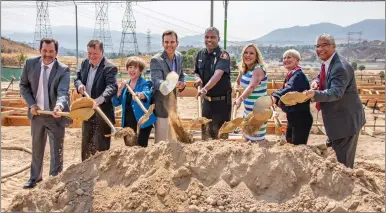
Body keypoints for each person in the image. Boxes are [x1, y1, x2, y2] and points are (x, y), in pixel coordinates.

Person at [304, 34, 366, 168]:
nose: (320, 49)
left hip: (345, 123)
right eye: (318, 46)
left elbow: (335, 92)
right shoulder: (328, 63)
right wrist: (315, 82)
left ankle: (345, 189)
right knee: (337, 161)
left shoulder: (340, 67)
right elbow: (320, 76)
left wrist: (314, 94)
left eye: (324, 45)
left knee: (343, 165)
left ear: (334, 47)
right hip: (337, 122)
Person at [19, 38, 70, 189]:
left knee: (56, 150)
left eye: (51, 51)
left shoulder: (63, 70)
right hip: (37, 114)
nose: (47, 54)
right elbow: (23, 86)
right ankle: (35, 177)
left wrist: (59, 106)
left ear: (56, 52)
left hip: (55, 115)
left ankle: (53, 181)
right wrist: (31, 104)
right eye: (45, 51)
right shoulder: (30, 64)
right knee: (36, 147)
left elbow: (63, 92)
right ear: (40, 50)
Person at [74, 40, 118, 161]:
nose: (91, 56)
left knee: (101, 147)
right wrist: (79, 86)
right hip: (87, 111)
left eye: (95, 53)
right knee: (86, 144)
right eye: (89, 53)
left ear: (102, 52)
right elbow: (77, 78)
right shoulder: (84, 64)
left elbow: (112, 87)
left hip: (102, 113)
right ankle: (85, 171)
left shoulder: (109, 67)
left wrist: (100, 99)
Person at [195, 27, 232, 140]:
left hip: (221, 104)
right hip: (206, 102)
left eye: (212, 37)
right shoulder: (200, 54)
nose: (209, 40)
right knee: (206, 137)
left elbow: (217, 75)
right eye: (207, 37)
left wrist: (204, 89)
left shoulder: (223, 55)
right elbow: (196, 72)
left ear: (218, 38)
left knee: (220, 138)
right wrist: (198, 79)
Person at [150, 30, 186, 143]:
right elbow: (156, 81)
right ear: (162, 43)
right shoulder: (156, 60)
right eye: (166, 42)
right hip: (160, 104)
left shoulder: (179, 56)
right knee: (161, 140)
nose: (169, 45)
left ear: (177, 43)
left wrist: (182, 83)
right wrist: (171, 84)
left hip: (173, 104)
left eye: (172, 42)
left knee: (172, 139)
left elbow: (182, 74)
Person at [112, 57, 157, 147]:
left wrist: (141, 95)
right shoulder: (125, 85)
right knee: (129, 149)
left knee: (140, 149)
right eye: (130, 67)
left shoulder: (145, 83)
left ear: (140, 70)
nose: (132, 70)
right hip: (127, 124)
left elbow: (147, 93)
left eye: (135, 68)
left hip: (142, 123)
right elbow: (116, 102)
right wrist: (120, 89)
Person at [271, 49, 313, 145]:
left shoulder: (298, 76)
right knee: (290, 144)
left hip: (301, 118)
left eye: (289, 57)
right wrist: (278, 102)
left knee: (298, 148)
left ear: (297, 60)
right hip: (293, 117)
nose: (286, 59)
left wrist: (275, 97)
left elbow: (289, 90)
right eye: (284, 58)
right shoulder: (291, 76)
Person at [234, 44, 268, 142]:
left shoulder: (259, 69)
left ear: (256, 56)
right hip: (247, 111)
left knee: (256, 142)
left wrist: (240, 99)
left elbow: (252, 86)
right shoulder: (244, 69)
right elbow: (237, 81)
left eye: (251, 53)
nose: (248, 55)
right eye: (246, 52)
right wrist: (236, 87)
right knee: (247, 139)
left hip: (258, 112)